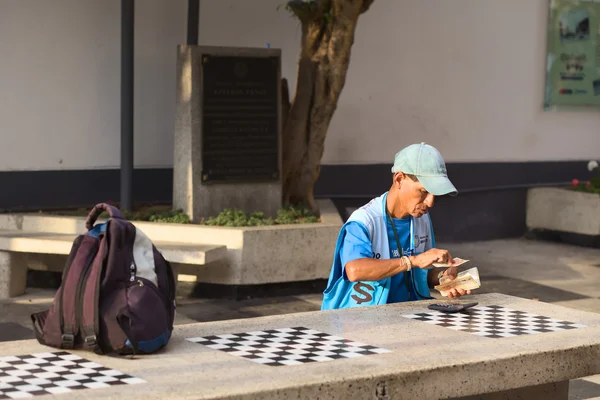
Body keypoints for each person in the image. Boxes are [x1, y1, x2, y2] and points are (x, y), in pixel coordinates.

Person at [321, 142, 470, 310]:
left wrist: (443, 277)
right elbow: (355, 270)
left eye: (435, 194)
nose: (430, 202)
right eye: (423, 191)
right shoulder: (364, 221)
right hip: (359, 319)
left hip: (409, 313)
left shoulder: (422, 219)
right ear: (399, 179)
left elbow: (421, 274)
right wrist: (412, 261)